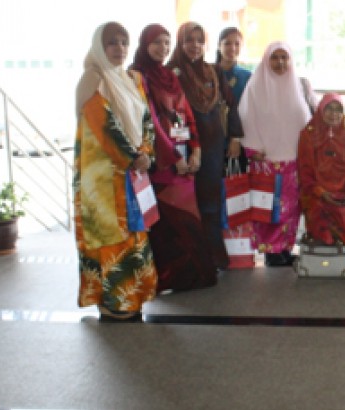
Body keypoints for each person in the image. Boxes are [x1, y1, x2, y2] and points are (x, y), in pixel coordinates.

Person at [74, 22, 156, 321]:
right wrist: (133, 156)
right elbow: (103, 126)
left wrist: (145, 152)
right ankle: (113, 302)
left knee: (135, 236)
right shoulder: (92, 80)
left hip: (133, 174)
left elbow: (146, 119)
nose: (119, 48)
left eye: (124, 42)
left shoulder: (130, 80)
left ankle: (132, 298)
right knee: (111, 240)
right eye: (112, 43)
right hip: (104, 180)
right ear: (99, 46)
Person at [130, 24, 218, 292]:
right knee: (169, 224)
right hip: (162, 165)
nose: (163, 48)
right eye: (157, 43)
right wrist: (172, 156)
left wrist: (196, 149)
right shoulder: (137, 76)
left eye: (167, 43)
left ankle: (193, 277)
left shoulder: (169, 75)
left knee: (190, 220)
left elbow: (186, 113)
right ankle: (169, 278)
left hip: (184, 160)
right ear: (145, 44)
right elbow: (151, 120)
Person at [167, 22, 244, 270]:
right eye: (189, 40)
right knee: (184, 205)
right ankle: (189, 260)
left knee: (210, 203)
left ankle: (213, 257)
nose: (195, 46)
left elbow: (231, 105)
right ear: (180, 42)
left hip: (212, 148)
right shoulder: (170, 73)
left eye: (200, 41)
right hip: (181, 149)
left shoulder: (213, 72)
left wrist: (234, 137)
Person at [238, 41, 312, 266]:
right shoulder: (255, 87)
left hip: (292, 160)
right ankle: (271, 252)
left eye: (284, 58)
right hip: (266, 160)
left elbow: (305, 120)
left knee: (291, 208)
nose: (280, 63)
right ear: (266, 60)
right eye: (275, 58)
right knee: (270, 208)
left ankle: (286, 248)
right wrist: (254, 149)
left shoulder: (297, 87)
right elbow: (246, 119)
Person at [298, 93, 345, 279]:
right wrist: (321, 192)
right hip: (316, 195)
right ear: (321, 110)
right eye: (329, 108)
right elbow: (304, 172)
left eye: (339, 110)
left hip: (344, 196)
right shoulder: (308, 135)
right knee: (318, 209)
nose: (334, 114)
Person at [216, 27, 251, 162]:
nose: (232, 48)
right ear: (219, 46)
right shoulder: (208, 72)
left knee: (234, 182)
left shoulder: (247, 77)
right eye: (227, 43)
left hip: (237, 139)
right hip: (211, 138)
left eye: (237, 44)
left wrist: (236, 138)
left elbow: (248, 111)